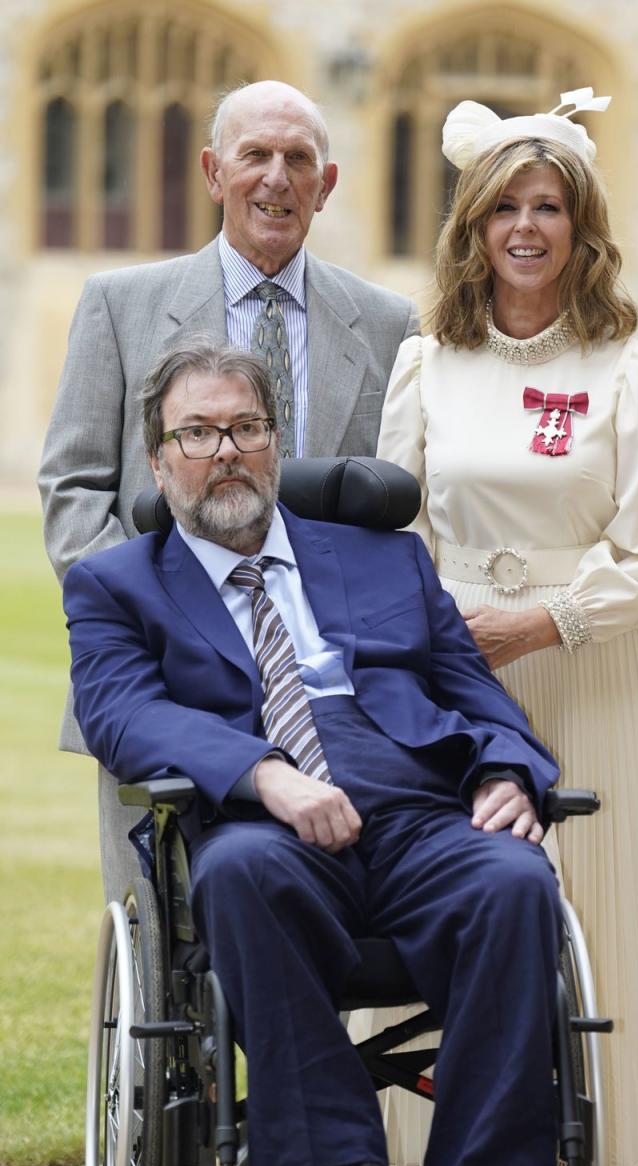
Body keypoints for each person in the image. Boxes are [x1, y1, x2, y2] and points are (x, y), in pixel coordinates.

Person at [62, 339, 566, 1166]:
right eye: (198, 432)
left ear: (276, 442)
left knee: (515, 878)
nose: (225, 451)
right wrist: (267, 772)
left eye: (245, 428)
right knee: (236, 873)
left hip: (421, 812)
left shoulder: (384, 560)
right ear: (159, 459)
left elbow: (473, 691)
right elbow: (122, 714)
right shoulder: (118, 585)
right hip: (270, 827)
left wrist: (507, 771)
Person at [376, 91, 638, 1166]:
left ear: (583, 227)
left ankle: (575, 1161)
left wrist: (543, 620)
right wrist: (444, 636)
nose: (526, 227)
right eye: (503, 207)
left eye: (549, 206)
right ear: (473, 227)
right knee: (461, 902)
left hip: (593, 667)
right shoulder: (428, 356)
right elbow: (396, 531)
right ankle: (461, 1163)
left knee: (593, 907)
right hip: (457, 674)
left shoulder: (632, 363)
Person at [38, 78, 417, 905]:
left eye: (298, 159)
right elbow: (72, 486)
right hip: (164, 677)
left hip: (329, 683)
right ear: (214, 172)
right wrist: (153, 624)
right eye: (255, 156)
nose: (276, 178)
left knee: (345, 925)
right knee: (162, 924)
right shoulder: (120, 305)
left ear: (328, 182)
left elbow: (390, 507)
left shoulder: (391, 324)